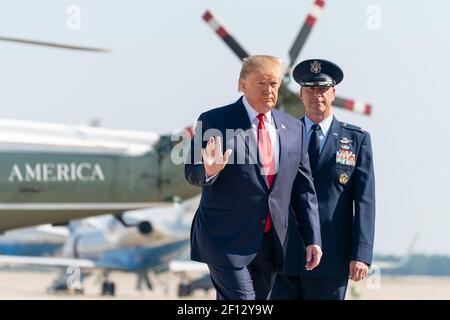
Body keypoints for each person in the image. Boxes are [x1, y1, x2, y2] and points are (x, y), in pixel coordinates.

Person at [185, 55, 322, 300]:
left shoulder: (294, 128)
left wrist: (313, 238)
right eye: (261, 84)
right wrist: (209, 170)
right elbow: (192, 172)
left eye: (274, 84)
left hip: (269, 242)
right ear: (242, 84)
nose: (269, 90)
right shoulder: (214, 120)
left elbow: (304, 189)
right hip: (225, 239)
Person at [270, 59, 376, 300]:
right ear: (301, 94)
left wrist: (361, 254)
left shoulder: (357, 140)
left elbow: (365, 202)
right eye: (310, 89)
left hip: (332, 256)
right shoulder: (282, 136)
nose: (315, 95)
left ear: (333, 92)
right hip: (286, 255)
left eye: (321, 89)